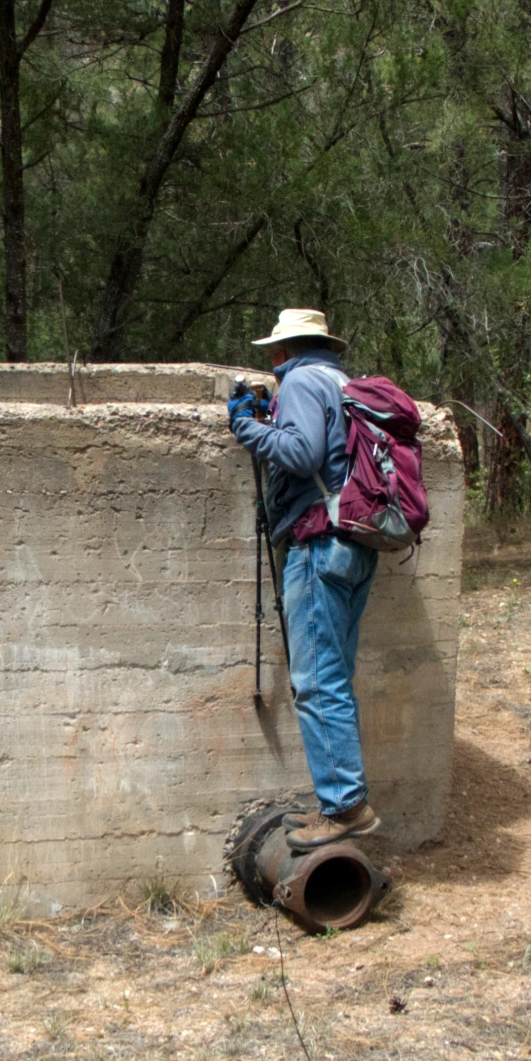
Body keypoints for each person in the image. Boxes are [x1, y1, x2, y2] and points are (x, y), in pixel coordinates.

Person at [226, 308, 381, 851]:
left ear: (283, 350)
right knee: (334, 677)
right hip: (356, 545)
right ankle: (341, 802)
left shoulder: (298, 380)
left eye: (272, 353)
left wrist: (246, 427)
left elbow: (301, 452)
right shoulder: (341, 381)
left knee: (316, 683)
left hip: (319, 546)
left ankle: (345, 808)